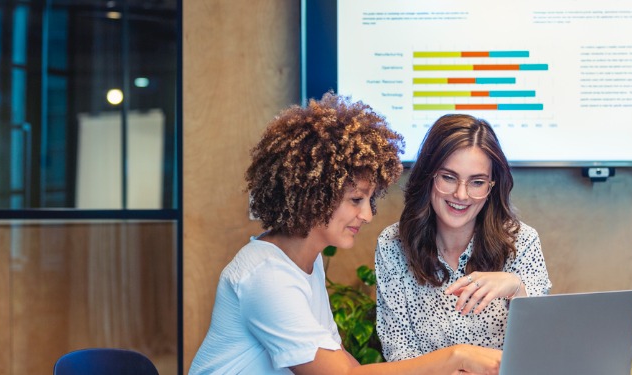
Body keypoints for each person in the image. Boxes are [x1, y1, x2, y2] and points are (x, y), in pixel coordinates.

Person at [189, 94, 502, 375]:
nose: (367, 215)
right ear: (314, 194)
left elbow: (347, 365)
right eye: (356, 200)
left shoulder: (304, 265)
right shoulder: (266, 275)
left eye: (369, 200)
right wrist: (457, 357)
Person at [375, 114, 552, 361]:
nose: (461, 194)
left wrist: (517, 288)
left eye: (477, 182)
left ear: (491, 186)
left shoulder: (522, 242)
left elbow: (540, 349)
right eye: (448, 177)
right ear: (428, 176)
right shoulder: (393, 245)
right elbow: (399, 351)